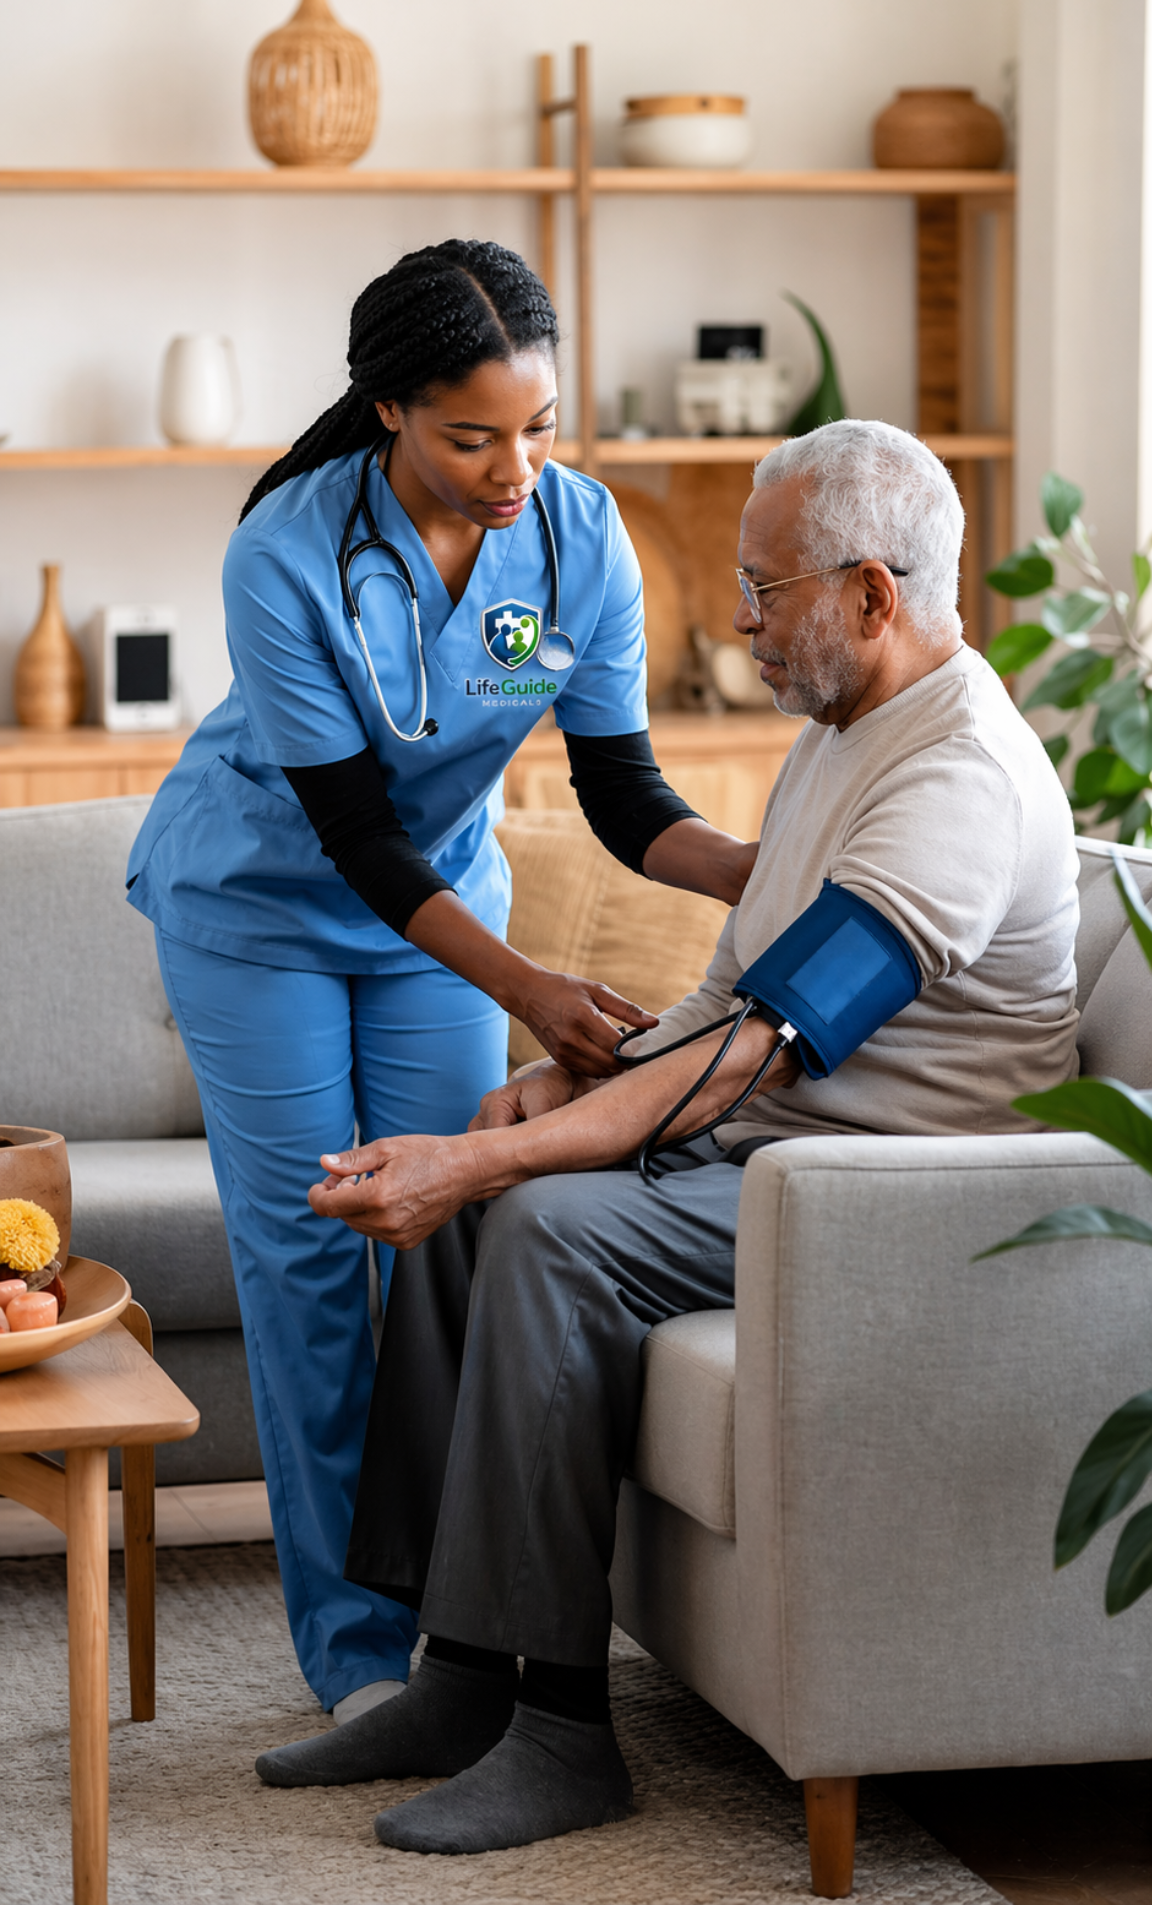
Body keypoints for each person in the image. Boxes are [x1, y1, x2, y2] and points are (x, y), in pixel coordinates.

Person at [253, 419, 1081, 1854]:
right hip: (780, 1152)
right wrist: (549, 1092)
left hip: (881, 1198)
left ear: (873, 596)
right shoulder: (844, 729)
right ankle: (459, 1680)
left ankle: (569, 1736)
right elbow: (724, 996)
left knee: (543, 1226)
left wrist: (499, 1160)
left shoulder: (958, 783)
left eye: (767, 592)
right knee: (480, 1202)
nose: (740, 622)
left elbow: (758, 1048)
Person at [125, 240, 758, 1721]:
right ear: (393, 409)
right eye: (474, 436)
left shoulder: (579, 536)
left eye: (538, 427)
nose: (514, 467)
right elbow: (352, 832)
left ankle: (456, 1633)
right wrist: (537, 987)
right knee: (311, 1261)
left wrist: (767, 868)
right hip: (261, 908)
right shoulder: (286, 548)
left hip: (440, 919)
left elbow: (619, 789)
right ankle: (351, 1653)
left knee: (451, 1239)